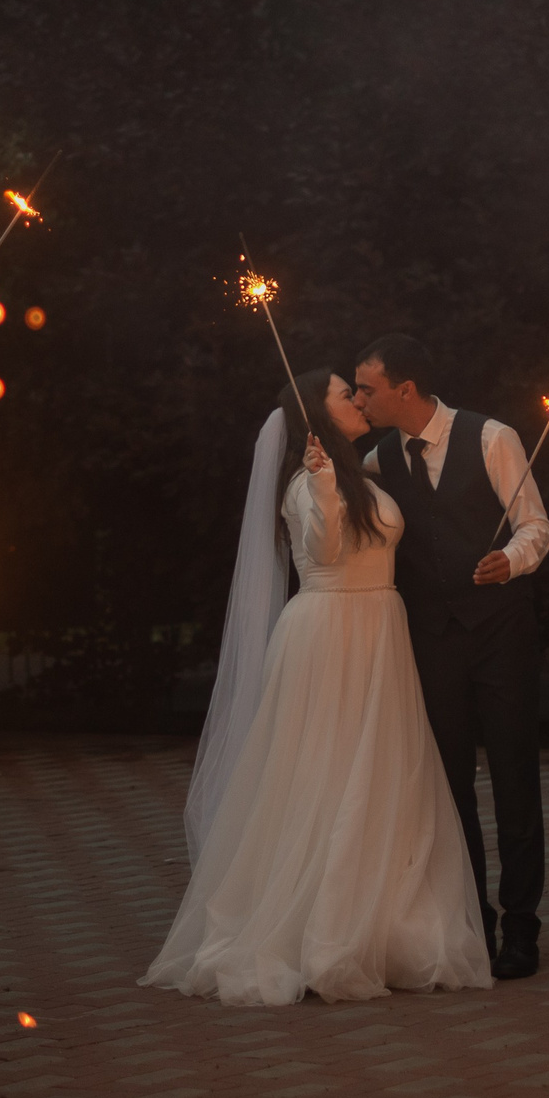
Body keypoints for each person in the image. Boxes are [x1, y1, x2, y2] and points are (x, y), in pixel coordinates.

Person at [145, 371, 492, 1004]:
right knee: (325, 772)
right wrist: (326, 483)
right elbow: (325, 550)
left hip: (379, 630)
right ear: (318, 417)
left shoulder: (368, 474)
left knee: (382, 772)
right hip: (329, 631)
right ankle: (321, 928)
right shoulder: (308, 483)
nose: (359, 400)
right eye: (345, 394)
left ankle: (382, 921)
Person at [353, 335, 549, 980]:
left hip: (501, 632)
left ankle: (522, 928)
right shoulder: (380, 459)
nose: (360, 399)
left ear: (404, 390)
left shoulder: (493, 438)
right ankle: (473, 923)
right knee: (450, 786)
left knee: (516, 781)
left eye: (367, 389)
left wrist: (512, 560)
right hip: (432, 637)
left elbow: (538, 526)